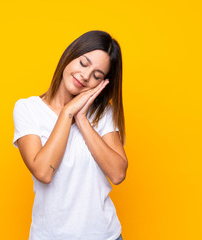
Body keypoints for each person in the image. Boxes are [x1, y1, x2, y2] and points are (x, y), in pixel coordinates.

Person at [12, 30, 128, 240]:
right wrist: (67, 112)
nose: (85, 76)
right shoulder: (27, 109)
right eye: (84, 63)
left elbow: (118, 174)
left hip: (105, 236)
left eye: (97, 75)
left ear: (102, 84)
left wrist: (82, 119)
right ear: (70, 56)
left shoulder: (103, 114)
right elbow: (43, 172)